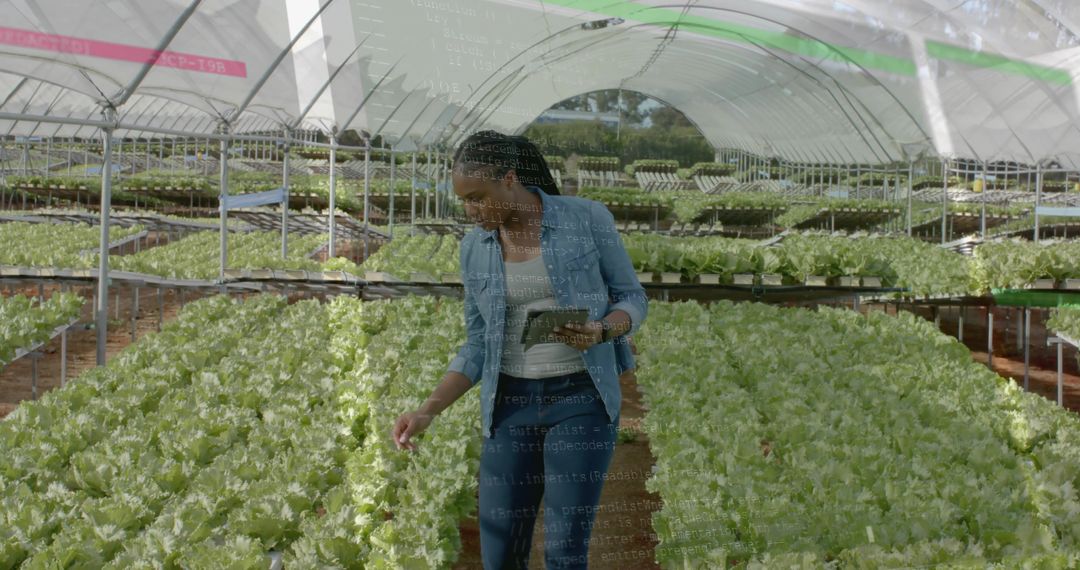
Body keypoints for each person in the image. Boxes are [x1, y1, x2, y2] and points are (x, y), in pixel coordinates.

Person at [391, 130, 648, 569]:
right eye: (464, 202)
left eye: (478, 198)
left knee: (565, 551)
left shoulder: (586, 219)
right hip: (510, 404)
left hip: (581, 399)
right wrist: (429, 409)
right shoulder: (475, 248)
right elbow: (476, 344)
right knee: (500, 552)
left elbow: (632, 298)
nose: (472, 212)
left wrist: (602, 330)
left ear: (509, 178)